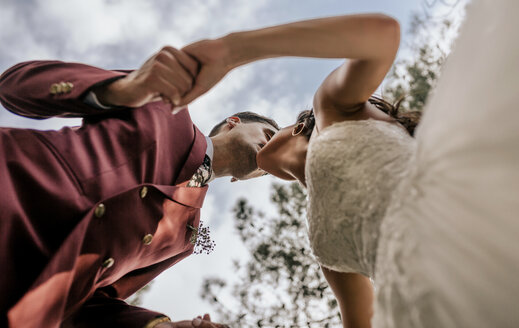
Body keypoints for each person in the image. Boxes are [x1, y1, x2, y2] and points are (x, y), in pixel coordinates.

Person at [178, 1, 519, 327]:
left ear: (298, 126)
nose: (263, 146)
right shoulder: (323, 243)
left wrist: (232, 50)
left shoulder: (332, 108)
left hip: (481, 224)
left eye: (270, 129)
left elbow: (382, 35)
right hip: (439, 306)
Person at [0, 47, 278, 328]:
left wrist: (161, 327)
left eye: (269, 171)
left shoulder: (184, 240)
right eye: (270, 135)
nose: (272, 151)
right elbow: (14, 86)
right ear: (233, 122)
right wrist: (120, 91)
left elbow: (87, 306)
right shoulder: (166, 106)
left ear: (241, 180)